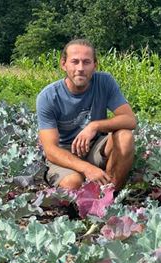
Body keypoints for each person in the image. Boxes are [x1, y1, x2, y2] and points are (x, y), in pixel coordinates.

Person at [36, 38, 136, 191]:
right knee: (73, 183)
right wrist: (87, 168)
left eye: (86, 62)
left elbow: (130, 120)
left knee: (125, 136)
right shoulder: (48, 96)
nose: (80, 68)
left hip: (95, 148)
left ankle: (109, 195)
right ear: (64, 64)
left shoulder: (105, 82)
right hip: (65, 154)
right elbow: (50, 150)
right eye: (75, 62)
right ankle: (88, 188)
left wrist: (94, 126)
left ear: (95, 65)